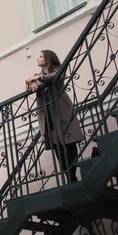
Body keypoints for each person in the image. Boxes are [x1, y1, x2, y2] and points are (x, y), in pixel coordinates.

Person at [25, 50, 85, 183]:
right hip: (48, 116)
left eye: (41, 56)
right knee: (57, 145)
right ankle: (69, 176)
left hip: (62, 112)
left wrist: (35, 79)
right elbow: (29, 87)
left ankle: (72, 175)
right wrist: (29, 83)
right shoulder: (37, 76)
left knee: (69, 143)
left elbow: (55, 76)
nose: (38, 59)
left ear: (49, 58)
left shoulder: (58, 70)